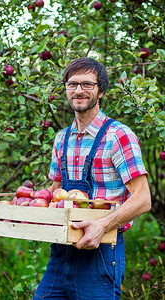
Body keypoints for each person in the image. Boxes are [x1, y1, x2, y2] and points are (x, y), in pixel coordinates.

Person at [33, 57, 151, 300]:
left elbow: (143, 199)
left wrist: (102, 225)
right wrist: (27, 208)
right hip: (61, 255)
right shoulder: (61, 139)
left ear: (101, 91)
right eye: (72, 84)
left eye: (87, 84)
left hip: (101, 253)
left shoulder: (118, 136)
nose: (78, 90)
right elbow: (55, 191)